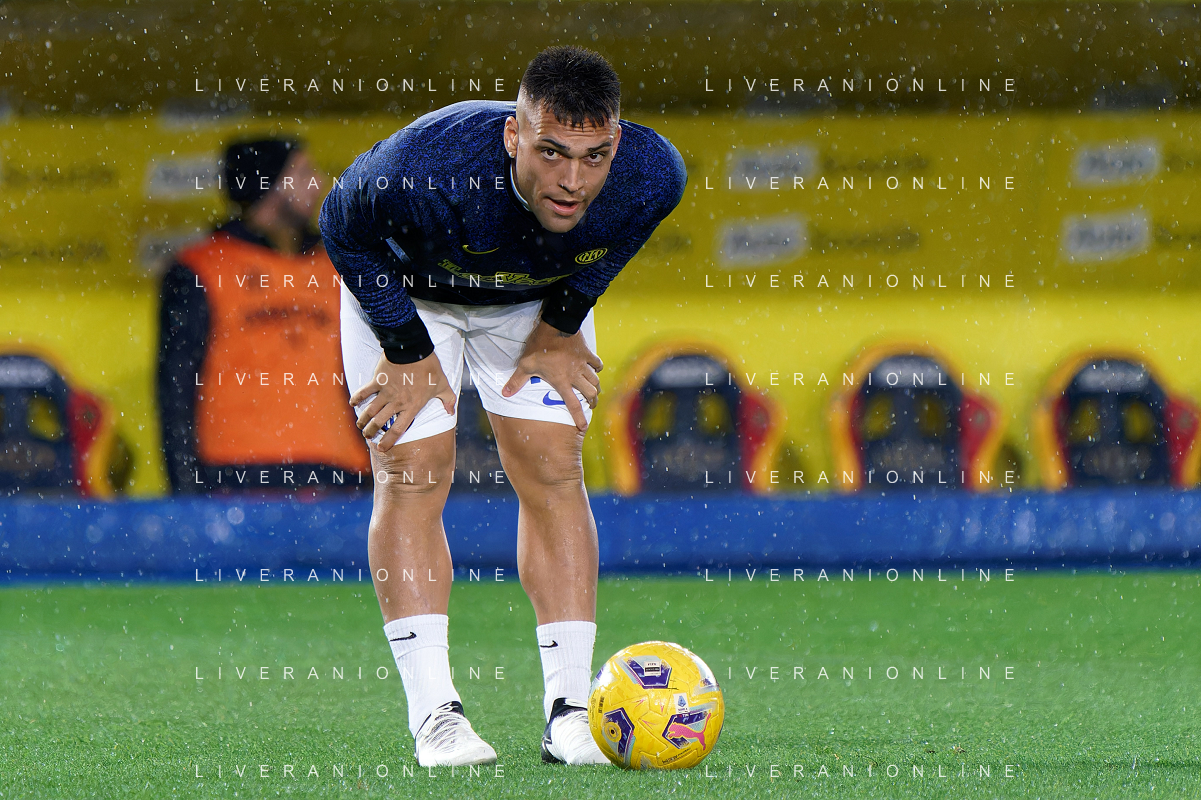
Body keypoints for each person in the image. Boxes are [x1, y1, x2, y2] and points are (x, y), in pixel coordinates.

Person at [319, 45, 687, 767]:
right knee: (413, 469)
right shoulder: (427, 165)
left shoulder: (651, 173)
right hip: (408, 294)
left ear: (616, 143)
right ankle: (436, 717)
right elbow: (341, 224)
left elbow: (618, 238)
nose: (573, 181)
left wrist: (562, 323)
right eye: (552, 153)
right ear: (514, 135)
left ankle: (571, 715)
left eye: (593, 156)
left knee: (554, 467)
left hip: (527, 300)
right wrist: (404, 345)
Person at [158, 139, 370, 493]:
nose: (318, 183)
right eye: (302, 173)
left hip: (339, 472)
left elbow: (372, 375)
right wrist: (185, 491)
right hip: (235, 475)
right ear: (269, 184)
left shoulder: (339, 266)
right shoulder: (201, 267)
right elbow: (176, 386)